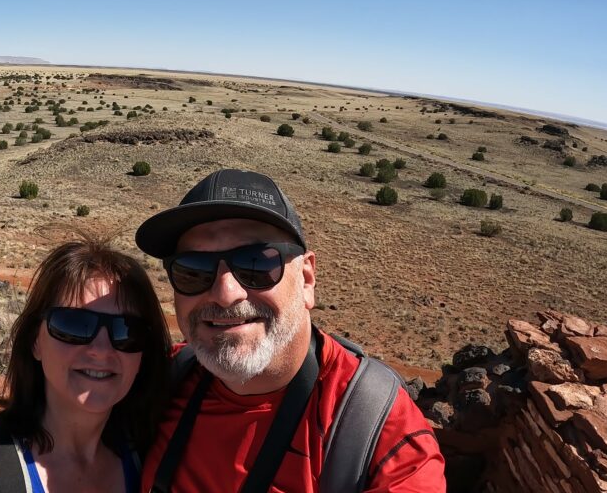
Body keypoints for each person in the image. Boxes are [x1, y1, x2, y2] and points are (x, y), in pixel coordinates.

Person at [134, 168, 446, 492]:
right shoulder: (160, 380)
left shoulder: (381, 432)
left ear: (307, 279)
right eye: (193, 270)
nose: (225, 294)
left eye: (256, 264)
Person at [0, 237, 171, 493]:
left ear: (144, 354)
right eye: (74, 325)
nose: (101, 350)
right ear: (35, 341)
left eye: (127, 331)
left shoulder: (154, 461)